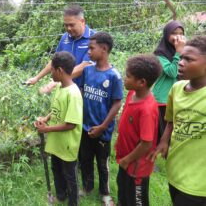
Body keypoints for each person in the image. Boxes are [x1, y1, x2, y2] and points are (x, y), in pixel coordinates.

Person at [150, 36, 206, 206]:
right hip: (175, 170)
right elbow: (171, 120)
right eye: (181, 58)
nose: (181, 62)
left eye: (189, 59)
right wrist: (164, 141)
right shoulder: (176, 89)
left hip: (199, 182)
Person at [74, 32, 123, 206]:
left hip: (103, 131)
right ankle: (87, 187)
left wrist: (102, 126)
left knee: (103, 164)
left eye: (91, 48)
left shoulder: (114, 76)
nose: (88, 52)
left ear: (104, 49)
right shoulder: (87, 70)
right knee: (85, 159)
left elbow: (117, 103)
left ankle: (105, 193)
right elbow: (80, 92)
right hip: (85, 128)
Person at [34, 51, 83, 206]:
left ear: (60, 70)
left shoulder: (73, 94)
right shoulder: (60, 87)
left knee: (70, 175)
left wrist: (46, 130)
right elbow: (56, 109)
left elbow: (71, 124)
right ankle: (61, 196)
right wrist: (45, 118)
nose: (51, 73)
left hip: (67, 144)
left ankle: (73, 202)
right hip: (57, 142)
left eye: (52, 70)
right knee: (56, 169)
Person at [115, 54, 162, 206]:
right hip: (125, 160)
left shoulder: (147, 109)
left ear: (142, 82)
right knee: (123, 192)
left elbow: (146, 144)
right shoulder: (132, 94)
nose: (124, 78)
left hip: (136, 167)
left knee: (136, 200)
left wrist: (127, 160)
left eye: (128, 76)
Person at [26, 5, 95, 93]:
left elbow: (85, 66)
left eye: (72, 25)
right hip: (67, 90)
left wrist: (56, 82)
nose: (68, 28)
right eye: (66, 25)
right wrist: (37, 78)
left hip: (87, 91)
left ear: (82, 21)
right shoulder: (65, 38)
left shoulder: (94, 39)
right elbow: (55, 61)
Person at [152, 20, 186, 142]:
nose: (178, 36)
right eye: (174, 33)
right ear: (166, 35)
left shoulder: (184, 52)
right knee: (164, 136)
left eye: (181, 33)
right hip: (162, 100)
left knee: (176, 135)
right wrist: (178, 52)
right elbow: (172, 72)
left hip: (177, 98)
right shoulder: (160, 54)